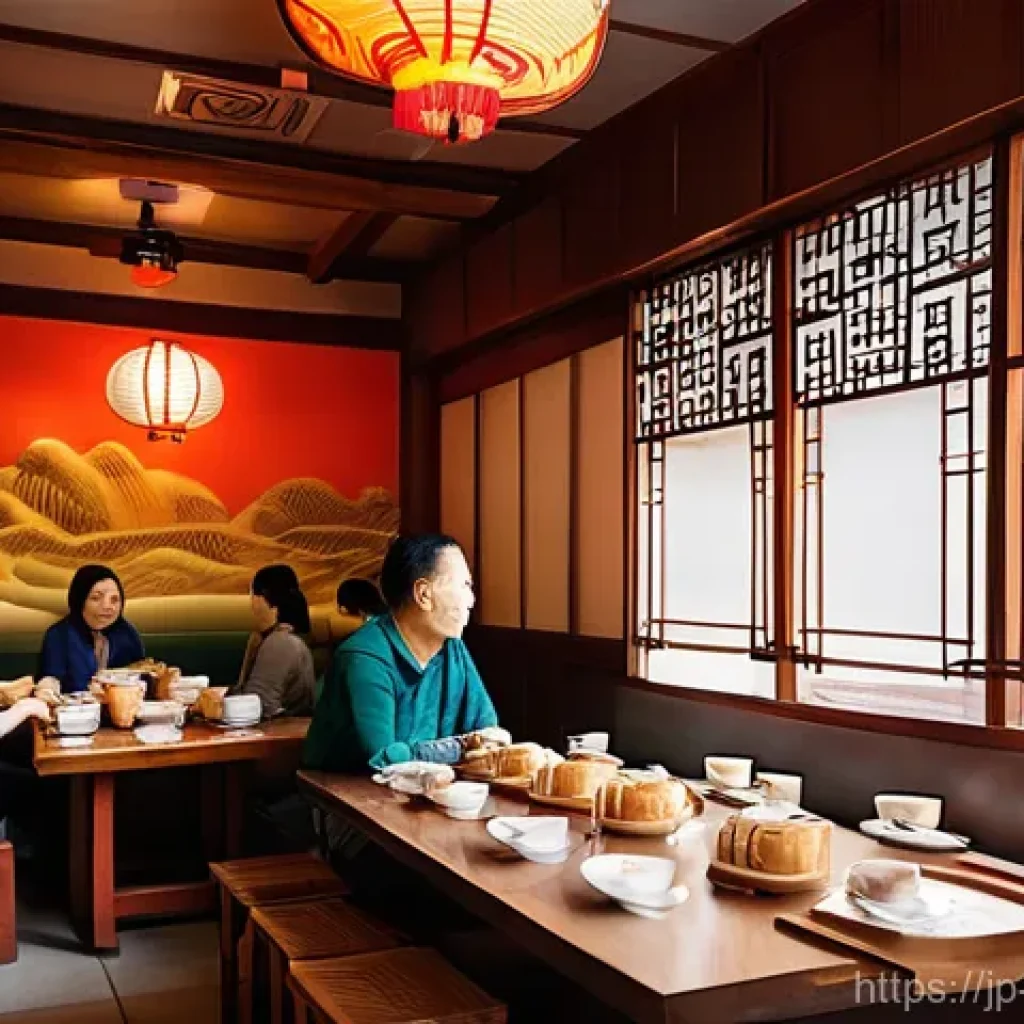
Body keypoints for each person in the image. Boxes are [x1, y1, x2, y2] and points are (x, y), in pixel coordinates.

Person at [304, 533, 506, 773]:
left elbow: (487, 728)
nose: (471, 600)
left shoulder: (452, 647)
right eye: (464, 586)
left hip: (423, 791)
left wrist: (488, 741)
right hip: (348, 796)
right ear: (423, 595)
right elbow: (383, 759)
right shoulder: (365, 656)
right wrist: (462, 747)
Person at [37, 565, 145, 694]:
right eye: (96, 598)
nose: (107, 606)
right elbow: (50, 679)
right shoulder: (59, 635)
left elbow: (141, 676)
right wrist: (47, 687)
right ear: (79, 601)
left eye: (114, 600)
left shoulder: (127, 635)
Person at [230, 564, 314, 718]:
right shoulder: (269, 638)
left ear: (262, 598)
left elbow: (256, 706)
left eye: (252, 594)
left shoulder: (281, 643)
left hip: (279, 736)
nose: (251, 603)